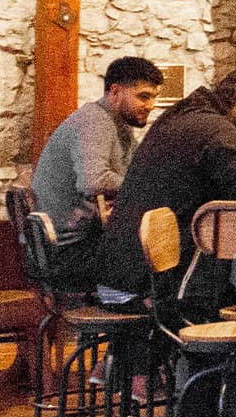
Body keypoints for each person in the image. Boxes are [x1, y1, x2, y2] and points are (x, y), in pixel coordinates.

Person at [93, 70, 236, 305]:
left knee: (234, 295)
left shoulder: (182, 116)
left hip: (121, 273)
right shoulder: (216, 130)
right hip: (148, 287)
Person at [28, 57, 163, 281]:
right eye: (143, 96)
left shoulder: (117, 123)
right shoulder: (95, 121)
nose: (150, 106)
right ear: (115, 91)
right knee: (165, 259)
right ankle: (135, 310)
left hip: (74, 245)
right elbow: (94, 181)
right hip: (67, 254)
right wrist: (146, 184)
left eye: (153, 98)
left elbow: (139, 169)